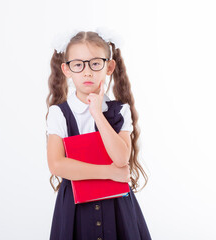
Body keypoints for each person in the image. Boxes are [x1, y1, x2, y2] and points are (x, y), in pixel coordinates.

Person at [45, 29, 152, 240]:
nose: (87, 72)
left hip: (116, 205)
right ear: (67, 70)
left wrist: (97, 114)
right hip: (75, 208)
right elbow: (57, 164)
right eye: (78, 64)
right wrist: (109, 172)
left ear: (109, 66)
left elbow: (120, 158)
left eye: (95, 63)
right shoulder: (59, 113)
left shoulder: (120, 110)